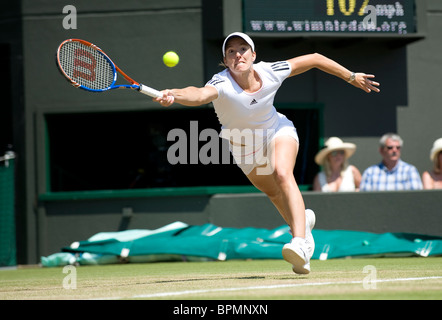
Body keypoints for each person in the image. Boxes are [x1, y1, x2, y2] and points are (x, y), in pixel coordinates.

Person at [154, 32, 380, 274]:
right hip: (244, 147)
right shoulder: (220, 83)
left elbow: (315, 58)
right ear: (226, 60)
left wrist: (351, 76)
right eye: (231, 51)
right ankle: (303, 227)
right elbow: (198, 94)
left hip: (277, 131)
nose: (238, 54)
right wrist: (174, 94)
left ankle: (300, 242)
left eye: (243, 49)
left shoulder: (272, 70)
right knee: (274, 193)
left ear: (253, 55)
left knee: (282, 173)